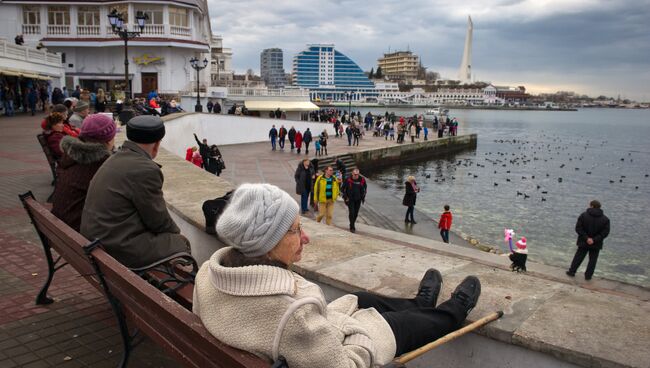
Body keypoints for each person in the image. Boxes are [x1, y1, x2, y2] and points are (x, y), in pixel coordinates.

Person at [193, 183, 482, 368]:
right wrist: (359, 333)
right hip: (337, 342)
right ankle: (454, 310)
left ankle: (420, 303)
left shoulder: (208, 273)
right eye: (295, 230)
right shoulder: (294, 317)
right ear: (267, 247)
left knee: (361, 298)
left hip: (301, 334)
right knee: (400, 324)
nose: (305, 237)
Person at [81, 115, 191, 268]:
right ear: (157, 144)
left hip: (96, 241)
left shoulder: (114, 158)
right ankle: (173, 288)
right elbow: (158, 221)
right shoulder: (146, 170)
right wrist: (176, 234)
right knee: (180, 243)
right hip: (117, 248)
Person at [51, 114, 116, 231]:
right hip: (80, 233)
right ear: (109, 140)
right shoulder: (101, 165)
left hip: (64, 228)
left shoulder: (73, 156)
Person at [566, 200, 610, 280]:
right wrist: (594, 239)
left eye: (590, 205)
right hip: (596, 243)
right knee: (593, 260)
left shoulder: (583, 215)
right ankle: (588, 276)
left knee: (579, 257)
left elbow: (578, 228)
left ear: (592, 206)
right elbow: (605, 233)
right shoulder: (605, 219)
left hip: (584, 241)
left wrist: (586, 238)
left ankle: (572, 271)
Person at [342, 169, 367, 233]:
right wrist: (345, 197)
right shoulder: (348, 180)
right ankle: (352, 227)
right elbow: (342, 189)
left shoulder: (362, 179)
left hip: (358, 199)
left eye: (358, 174)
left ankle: (352, 223)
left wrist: (363, 196)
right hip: (350, 199)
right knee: (352, 213)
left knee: (356, 214)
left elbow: (365, 188)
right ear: (352, 174)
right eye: (355, 174)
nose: (356, 176)